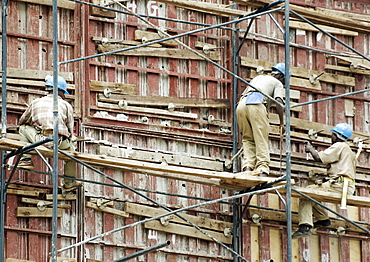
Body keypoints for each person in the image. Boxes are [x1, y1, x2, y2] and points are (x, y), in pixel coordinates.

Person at [292, 123, 356, 238]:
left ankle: (305, 226)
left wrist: (311, 149)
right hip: (346, 186)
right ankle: (322, 219)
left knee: (305, 193)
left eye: (332, 135)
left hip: (339, 185)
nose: (331, 137)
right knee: (313, 192)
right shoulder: (349, 151)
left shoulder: (340, 146)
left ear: (336, 136)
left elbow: (319, 158)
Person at [18, 75, 82, 190]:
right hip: (59, 142)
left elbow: (23, 121)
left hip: (41, 140)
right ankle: (69, 183)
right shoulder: (66, 105)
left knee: (22, 128)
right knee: (72, 154)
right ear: (60, 91)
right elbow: (70, 129)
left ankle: (26, 160)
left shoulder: (36, 102)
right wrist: (71, 141)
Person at [236, 63, 286, 176]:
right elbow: (279, 101)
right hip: (256, 104)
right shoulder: (277, 83)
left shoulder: (257, 78)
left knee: (247, 139)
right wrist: (282, 123)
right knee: (261, 138)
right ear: (282, 76)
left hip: (241, 105)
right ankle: (263, 169)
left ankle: (247, 167)